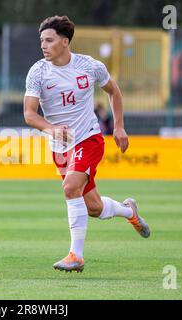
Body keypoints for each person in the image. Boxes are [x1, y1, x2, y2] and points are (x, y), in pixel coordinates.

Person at [23, 16, 150, 273]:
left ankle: (76, 256)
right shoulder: (38, 72)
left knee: (70, 188)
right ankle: (129, 212)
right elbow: (29, 114)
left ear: (65, 41)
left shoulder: (90, 66)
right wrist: (51, 128)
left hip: (88, 138)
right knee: (93, 207)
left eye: (49, 40)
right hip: (59, 147)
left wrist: (118, 126)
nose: (43, 46)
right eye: (41, 41)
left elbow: (113, 91)